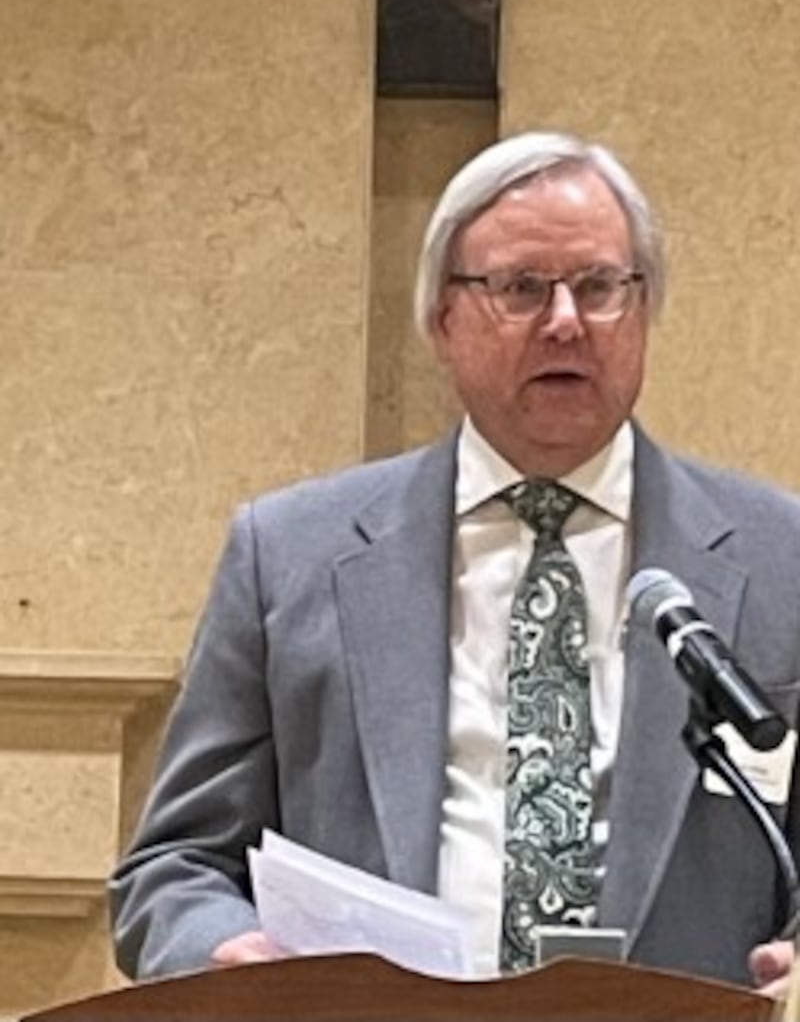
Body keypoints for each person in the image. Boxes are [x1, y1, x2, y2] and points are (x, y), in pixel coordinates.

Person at [109, 130, 800, 995]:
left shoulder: (782, 559)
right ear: (442, 318)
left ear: (645, 308)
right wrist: (229, 957)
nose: (566, 321)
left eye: (599, 287)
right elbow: (174, 865)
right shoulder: (287, 556)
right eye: (519, 288)